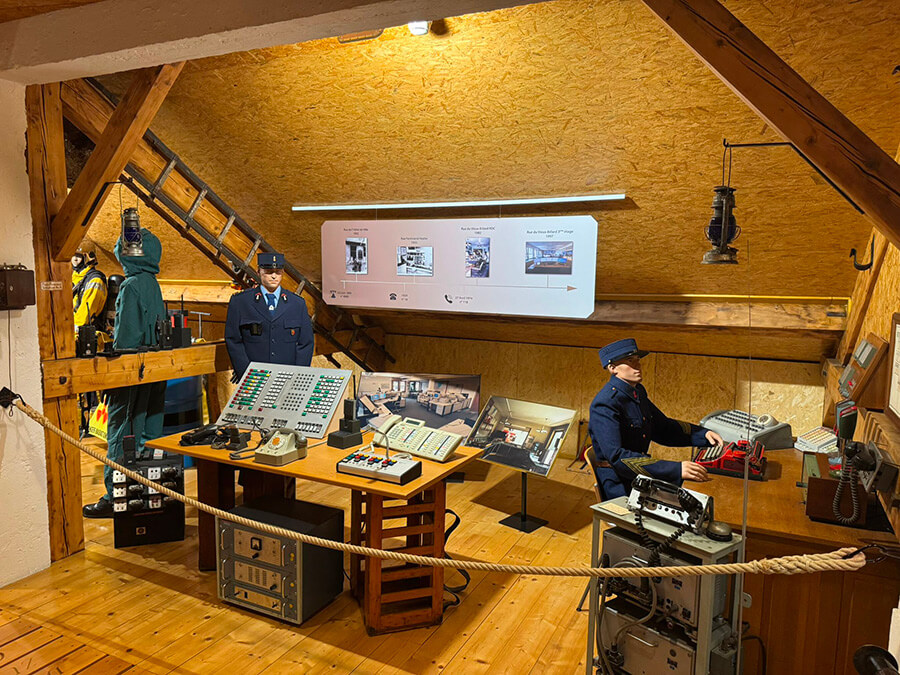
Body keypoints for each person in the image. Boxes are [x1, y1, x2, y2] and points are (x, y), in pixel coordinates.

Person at [83, 229, 167, 518]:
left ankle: (114, 494)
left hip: (132, 369)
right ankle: (146, 490)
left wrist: (115, 372)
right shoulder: (152, 283)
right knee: (148, 432)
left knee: (121, 431)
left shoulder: (131, 286)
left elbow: (126, 336)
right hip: (154, 367)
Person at [588, 338, 724, 499]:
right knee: (693, 503)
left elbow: (662, 427)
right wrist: (676, 469)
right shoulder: (606, 403)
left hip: (639, 476)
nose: (637, 366)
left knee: (701, 495)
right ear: (612, 368)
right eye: (629, 361)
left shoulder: (637, 392)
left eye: (637, 360)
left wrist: (702, 434)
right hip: (620, 486)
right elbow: (618, 457)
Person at [225, 252, 314, 383]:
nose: (273, 276)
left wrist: (297, 376)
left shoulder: (297, 304)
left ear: (282, 273)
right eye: (268, 271)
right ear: (259, 272)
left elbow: (305, 343)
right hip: (254, 379)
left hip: (287, 379)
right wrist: (245, 374)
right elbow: (233, 340)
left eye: (278, 272)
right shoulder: (241, 302)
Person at [72, 245, 108, 332]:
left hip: (86, 333)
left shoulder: (95, 280)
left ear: (88, 259)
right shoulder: (74, 278)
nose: (75, 259)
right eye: (73, 255)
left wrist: (72, 327)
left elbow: (85, 314)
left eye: (79, 256)